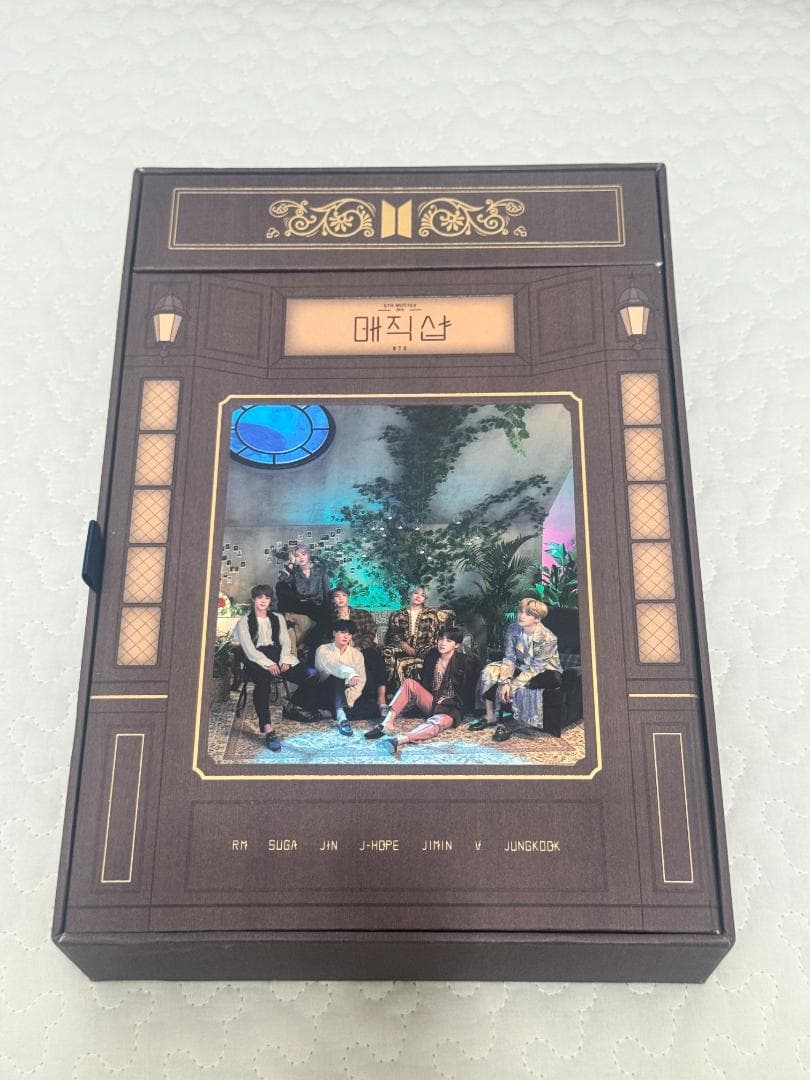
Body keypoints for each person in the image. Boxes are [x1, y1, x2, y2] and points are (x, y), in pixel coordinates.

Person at [231, 584, 318, 751]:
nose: (263, 601)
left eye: (267, 598)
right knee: (263, 684)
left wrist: (284, 659)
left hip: (277, 653)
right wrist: (268, 664)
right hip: (255, 658)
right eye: (260, 597)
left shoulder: (277, 618)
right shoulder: (244, 622)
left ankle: (291, 706)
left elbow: (285, 641)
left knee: (311, 674)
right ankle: (268, 729)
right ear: (253, 599)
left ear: (270, 600)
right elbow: (248, 649)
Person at [370, 627, 477, 755]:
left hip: (451, 708)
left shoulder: (465, 662)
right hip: (432, 700)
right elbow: (425, 682)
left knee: (438, 722)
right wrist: (415, 698)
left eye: (448, 641)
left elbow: (468, 690)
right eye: (441, 639)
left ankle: (399, 740)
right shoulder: (432, 655)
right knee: (409, 683)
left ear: (457, 645)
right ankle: (388, 722)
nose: (442, 643)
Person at [472, 597, 562, 742]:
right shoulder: (513, 629)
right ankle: (490, 715)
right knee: (489, 670)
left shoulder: (549, 638)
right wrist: (505, 682)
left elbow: (536, 667)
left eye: (528, 614)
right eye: (521, 611)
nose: (521, 615)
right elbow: (509, 658)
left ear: (537, 619)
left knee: (528, 684)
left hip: (544, 671)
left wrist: (512, 685)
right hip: (521, 666)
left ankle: (517, 723)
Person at [331, 586, 387, 717]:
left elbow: (370, 632)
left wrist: (359, 647)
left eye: (343, 596)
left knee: (375, 657)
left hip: (361, 648)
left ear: (348, 598)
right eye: (337, 596)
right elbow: (326, 637)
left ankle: (382, 700)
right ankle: (346, 704)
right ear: (333, 600)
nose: (340, 599)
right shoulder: (330, 618)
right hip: (340, 651)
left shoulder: (362, 614)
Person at [310, 619, 370, 736]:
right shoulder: (323, 649)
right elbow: (332, 667)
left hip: (346, 693)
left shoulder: (356, 654)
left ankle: (335, 710)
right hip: (324, 690)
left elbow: (361, 680)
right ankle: (341, 716)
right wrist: (349, 674)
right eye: (342, 632)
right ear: (334, 633)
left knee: (373, 710)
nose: (346, 636)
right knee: (336, 676)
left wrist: (349, 700)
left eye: (349, 634)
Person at [276, 545, 332, 656]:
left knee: (326, 620)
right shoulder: (295, 571)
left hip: (316, 605)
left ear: (309, 555)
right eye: (297, 556)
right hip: (300, 604)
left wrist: (329, 607)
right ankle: (284, 613)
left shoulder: (320, 570)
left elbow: (326, 590)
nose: (301, 558)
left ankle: (304, 645)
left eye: (303, 554)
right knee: (280, 586)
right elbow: (281, 580)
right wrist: (291, 562)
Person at [382, 584, 439, 691]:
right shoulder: (397, 614)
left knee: (434, 651)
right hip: (402, 647)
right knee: (387, 651)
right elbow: (392, 634)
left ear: (425, 598)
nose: (418, 596)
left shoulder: (431, 614)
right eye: (416, 593)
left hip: (423, 648)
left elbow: (434, 635)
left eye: (422, 595)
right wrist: (403, 644)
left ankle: (426, 689)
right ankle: (390, 689)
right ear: (410, 595)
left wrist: (424, 648)